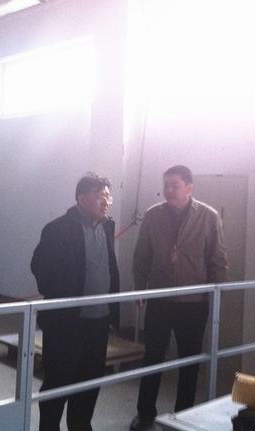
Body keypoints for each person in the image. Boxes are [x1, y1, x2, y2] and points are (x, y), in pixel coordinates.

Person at [129, 165, 227, 430]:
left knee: (189, 361)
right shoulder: (153, 215)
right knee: (152, 358)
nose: (169, 190)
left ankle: (184, 416)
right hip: (159, 299)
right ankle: (144, 415)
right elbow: (141, 256)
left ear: (189, 187)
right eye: (166, 185)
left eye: (175, 185)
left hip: (193, 303)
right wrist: (140, 287)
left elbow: (218, 261)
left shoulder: (208, 216)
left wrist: (215, 297)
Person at [31, 172, 120, 431]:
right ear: (81, 198)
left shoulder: (107, 227)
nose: (106, 201)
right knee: (59, 380)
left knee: (90, 381)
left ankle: (81, 426)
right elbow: (39, 267)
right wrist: (62, 296)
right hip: (66, 323)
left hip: (99, 322)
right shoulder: (58, 228)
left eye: (108, 197)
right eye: (99, 196)